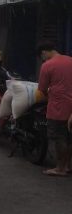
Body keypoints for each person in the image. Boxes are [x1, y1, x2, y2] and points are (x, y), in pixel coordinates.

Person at [37, 41, 72, 177]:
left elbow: (42, 89)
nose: (43, 59)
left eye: (42, 56)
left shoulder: (47, 65)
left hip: (58, 107)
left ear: (44, 53)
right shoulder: (70, 60)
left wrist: (48, 93)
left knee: (59, 137)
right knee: (69, 137)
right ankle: (67, 165)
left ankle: (60, 168)